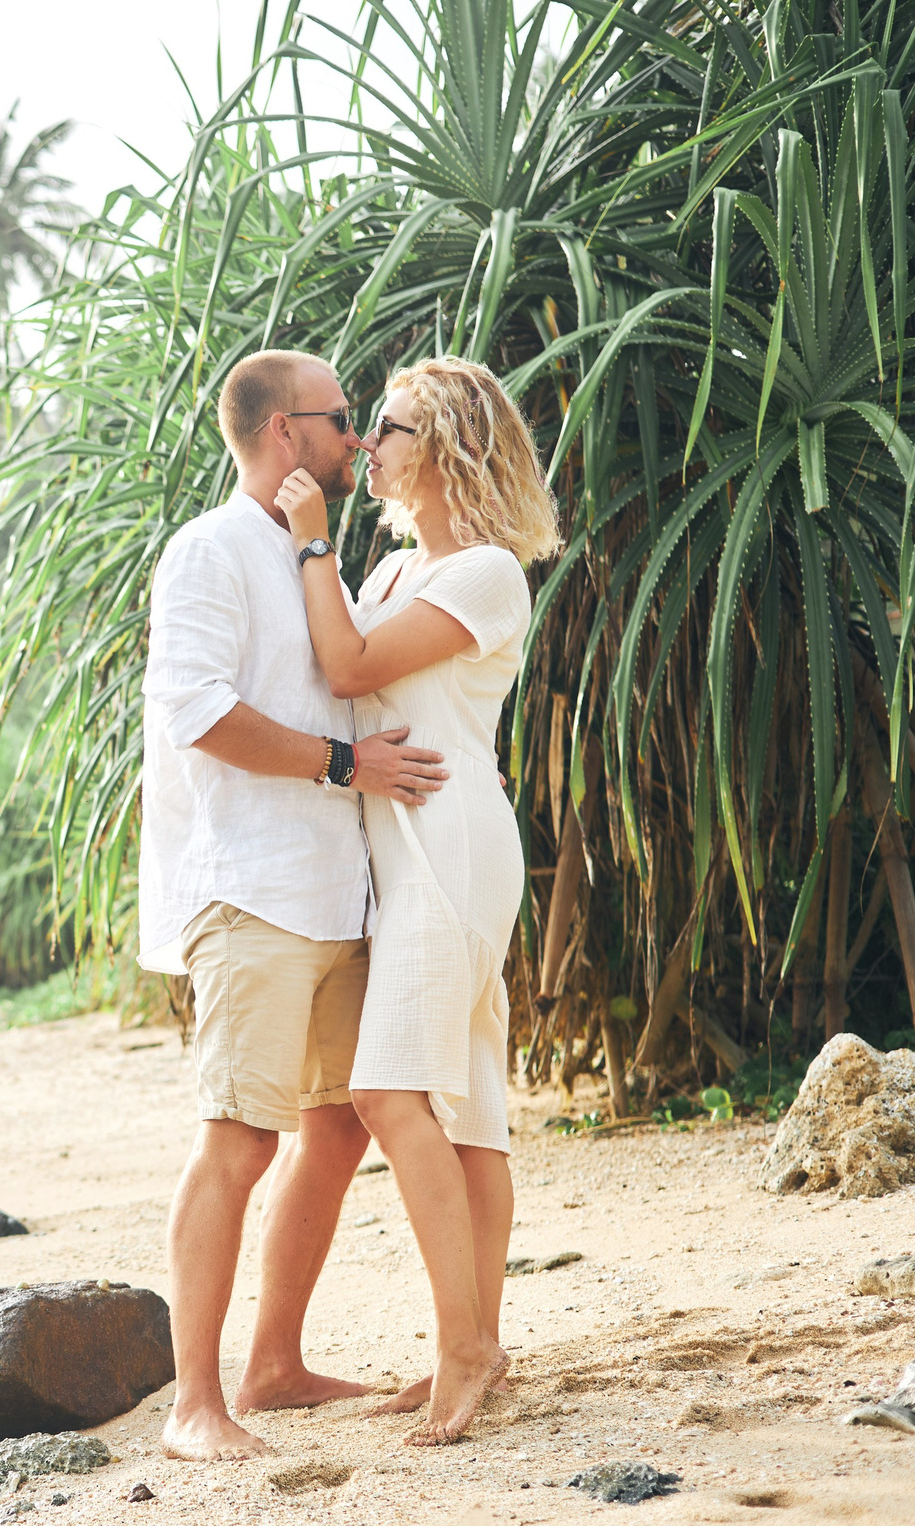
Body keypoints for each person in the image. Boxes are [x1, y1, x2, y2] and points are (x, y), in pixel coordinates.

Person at [140, 348, 451, 1462]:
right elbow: (197, 711)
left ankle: (272, 1366)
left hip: (341, 891)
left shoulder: (318, 555)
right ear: (285, 435)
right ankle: (193, 1406)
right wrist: (341, 765)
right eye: (340, 417)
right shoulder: (209, 552)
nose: (359, 435)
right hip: (253, 888)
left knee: (331, 1126)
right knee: (236, 1140)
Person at [276, 354, 561, 1446]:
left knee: (389, 1094)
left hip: (449, 845)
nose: (364, 444)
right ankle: (477, 1341)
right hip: (409, 849)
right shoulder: (396, 573)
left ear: (440, 444)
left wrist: (309, 540)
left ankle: (462, 1349)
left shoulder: (486, 572)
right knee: (470, 1110)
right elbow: (334, 675)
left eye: (386, 426)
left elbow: (345, 670)